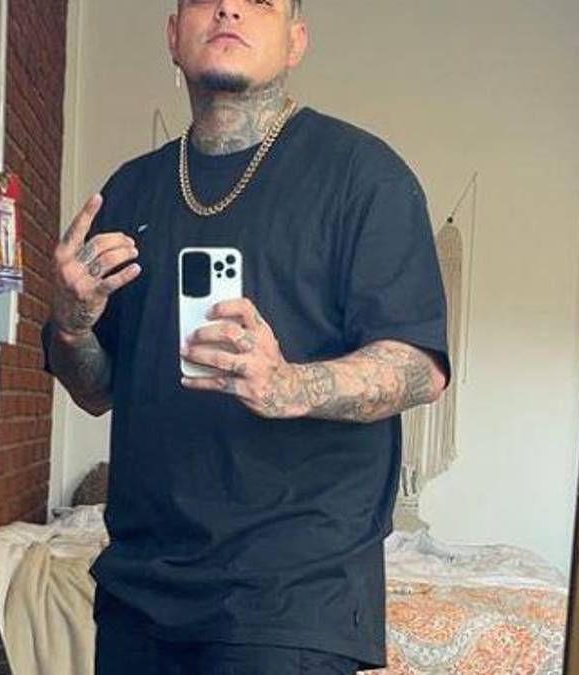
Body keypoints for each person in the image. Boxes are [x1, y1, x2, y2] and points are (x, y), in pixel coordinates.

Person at [43, 0, 450, 672]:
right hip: (138, 595)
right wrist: (71, 320)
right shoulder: (130, 190)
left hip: (292, 599)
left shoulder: (363, 176)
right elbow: (96, 389)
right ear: (173, 36)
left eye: (260, 0)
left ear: (296, 41)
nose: (229, 7)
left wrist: (288, 384)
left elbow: (418, 368)